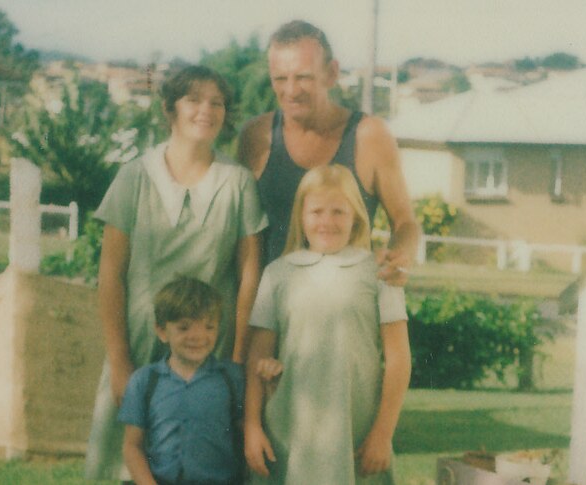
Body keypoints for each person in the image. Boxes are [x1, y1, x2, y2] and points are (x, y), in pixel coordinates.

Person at [85, 65, 267, 481]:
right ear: (170, 109)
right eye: (194, 100)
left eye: (217, 102)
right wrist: (118, 361)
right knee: (125, 459)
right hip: (140, 341)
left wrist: (236, 358)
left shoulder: (237, 183)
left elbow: (249, 277)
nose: (206, 110)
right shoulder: (135, 176)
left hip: (209, 346)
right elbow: (110, 275)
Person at [244, 165, 412, 484]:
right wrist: (252, 426)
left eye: (338, 211)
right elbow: (257, 357)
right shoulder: (277, 273)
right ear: (301, 216)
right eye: (317, 211)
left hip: (356, 427)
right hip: (290, 427)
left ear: (356, 217)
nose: (327, 221)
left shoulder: (380, 274)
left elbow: (399, 359)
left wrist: (382, 433)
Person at [237, 20, 418, 284]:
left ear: (331, 73)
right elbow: (243, 240)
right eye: (280, 79)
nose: (291, 90)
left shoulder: (369, 136)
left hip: (346, 305)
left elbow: (405, 222)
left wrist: (400, 259)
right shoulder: (256, 136)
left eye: (303, 77)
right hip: (272, 314)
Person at [119, 276, 244, 485]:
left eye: (209, 327)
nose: (197, 336)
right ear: (162, 331)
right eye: (184, 327)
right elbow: (132, 446)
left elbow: (248, 432)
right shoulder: (144, 381)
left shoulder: (232, 378)